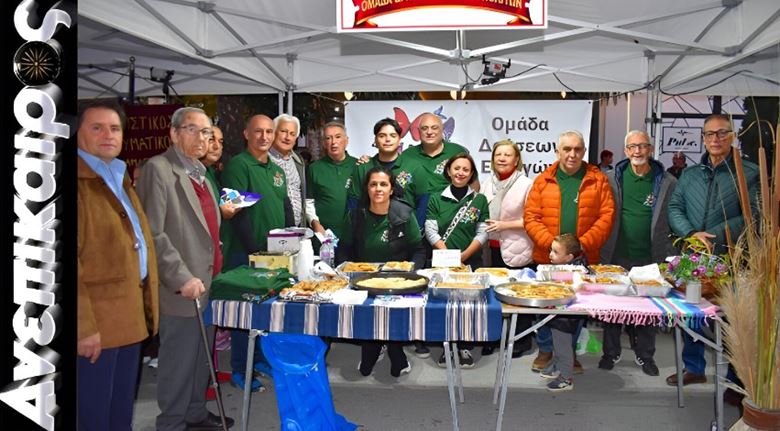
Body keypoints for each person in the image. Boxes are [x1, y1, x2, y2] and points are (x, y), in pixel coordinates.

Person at [136, 107, 234, 430]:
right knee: (179, 362)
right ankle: (172, 422)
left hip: (208, 281)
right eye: (193, 129)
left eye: (206, 132)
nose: (202, 138)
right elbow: (152, 233)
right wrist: (181, 277)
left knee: (200, 358)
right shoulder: (159, 169)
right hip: (182, 287)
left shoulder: (201, 173)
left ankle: (194, 413)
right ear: (174, 133)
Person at [77, 100, 159, 431]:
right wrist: (83, 327)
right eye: (97, 128)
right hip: (97, 324)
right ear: (77, 132)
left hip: (129, 314)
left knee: (120, 409)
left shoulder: (117, 175)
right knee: (93, 413)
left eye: (114, 128)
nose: (108, 135)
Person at [666, 113, 759, 386]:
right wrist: (691, 234)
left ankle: (735, 380)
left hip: (732, 258)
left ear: (733, 136)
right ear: (703, 138)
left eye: (722, 133)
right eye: (709, 134)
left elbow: (754, 215)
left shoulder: (749, 172)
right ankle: (694, 368)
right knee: (691, 315)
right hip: (694, 258)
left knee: (732, 319)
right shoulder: (691, 174)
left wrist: (714, 236)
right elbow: (675, 207)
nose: (715, 139)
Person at [524, 130, 615, 373]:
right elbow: (531, 217)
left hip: (582, 259)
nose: (572, 154)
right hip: (548, 258)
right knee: (545, 305)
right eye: (567, 149)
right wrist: (554, 247)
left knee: (576, 308)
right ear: (558, 152)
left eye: (577, 149)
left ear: (584, 151)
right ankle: (545, 349)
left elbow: (606, 217)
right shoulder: (542, 180)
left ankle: (569, 353)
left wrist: (579, 247)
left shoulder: (598, 180)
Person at [220, 114, 294, 392]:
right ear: (246, 134)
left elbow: (285, 206)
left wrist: (290, 239)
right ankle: (241, 369)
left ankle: (260, 360)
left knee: (265, 311)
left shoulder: (276, 170)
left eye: (269, 132)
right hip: (246, 255)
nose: (264, 137)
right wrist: (255, 251)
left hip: (274, 255)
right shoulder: (238, 165)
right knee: (244, 314)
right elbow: (236, 213)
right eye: (258, 131)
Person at [599, 130, 678, 376]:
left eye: (642, 146)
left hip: (651, 256)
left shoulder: (667, 182)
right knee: (613, 307)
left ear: (650, 149)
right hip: (617, 253)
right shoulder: (611, 179)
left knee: (648, 310)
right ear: (625, 151)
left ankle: (646, 356)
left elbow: (674, 216)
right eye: (632, 146)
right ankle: (610, 353)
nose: (637, 151)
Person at [346, 166, 425, 377]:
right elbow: (345, 248)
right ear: (367, 188)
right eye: (373, 184)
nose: (378, 189)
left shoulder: (405, 213)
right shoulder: (356, 215)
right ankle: (372, 347)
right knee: (365, 366)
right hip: (364, 279)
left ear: (391, 189)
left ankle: (394, 349)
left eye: (383, 184)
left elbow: (419, 251)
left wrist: (409, 273)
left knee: (392, 311)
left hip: (397, 280)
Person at [425, 153, 489, 368]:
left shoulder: (479, 200)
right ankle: (447, 347)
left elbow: (482, 232)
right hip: (443, 262)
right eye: (457, 168)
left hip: (471, 262)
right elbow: (430, 230)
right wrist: (449, 257)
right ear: (449, 171)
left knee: (468, 305)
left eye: (466, 170)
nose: (461, 173)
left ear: (472, 174)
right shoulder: (436, 198)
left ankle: (465, 347)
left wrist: (463, 256)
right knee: (446, 305)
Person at [480, 139, 534, 357]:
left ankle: (521, 341)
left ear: (516, 159)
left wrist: (504, 225)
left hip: (516, 248)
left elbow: (532, 220)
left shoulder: (526, 184)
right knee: (492, 296)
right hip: (490, 248)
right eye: (498, 155)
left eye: (507, 155)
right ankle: (493, 337)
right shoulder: (487, 183)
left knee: (517, 295)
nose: (502, 159)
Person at [348, 118, 430, 226]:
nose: (387, 139)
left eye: (393, 135)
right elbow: (353, 203)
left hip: (405, 231)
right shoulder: (363, 168)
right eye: (382, 136)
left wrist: (416, 230)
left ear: (399, 139)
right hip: (371, 231)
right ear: (375, 140)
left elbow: (423, 203)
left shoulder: (415, 167)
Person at [541, 234, 587, 392]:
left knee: (563, 347)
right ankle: (557, 366)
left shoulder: (576, 271)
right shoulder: (569, 266)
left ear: (569, 258)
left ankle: (566, 378)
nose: (550, 254)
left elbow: (573, 286)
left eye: (555, 252)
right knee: (559, 344)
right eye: (551, 250)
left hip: (566, 315)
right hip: (560, 311)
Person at [306, 121, 357, 260]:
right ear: (324, 143)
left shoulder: (358, 166)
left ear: (346, 141)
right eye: (328, 138)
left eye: (338, 137)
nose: (333, 142)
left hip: (353, 237)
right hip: (323, 237)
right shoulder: (314, 168)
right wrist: (315, 224)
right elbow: (308, 202)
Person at [398, 112, 470, 194]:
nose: (429, 132)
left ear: (442, 130)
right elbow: (399, 185)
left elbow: (473, 184)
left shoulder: (457, 151)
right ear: (419, 131)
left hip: (450, 201)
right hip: (416, 201)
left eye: (434, 128)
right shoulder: (407, 155)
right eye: (424, 128)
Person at [270, 113, 307, 226]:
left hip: (297, 229)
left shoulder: (298, 162)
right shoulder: (264, 160)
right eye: (283, 131)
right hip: (272, 229)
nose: (287, 137)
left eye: (292, 134)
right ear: (274, 132)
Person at [201, 125, 240, 221]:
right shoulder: (190, 172)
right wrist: (219, 211)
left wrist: (236, 199)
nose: (217, 146)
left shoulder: (211, 171)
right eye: (211, 140)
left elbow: (219, 198)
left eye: (220, 141)